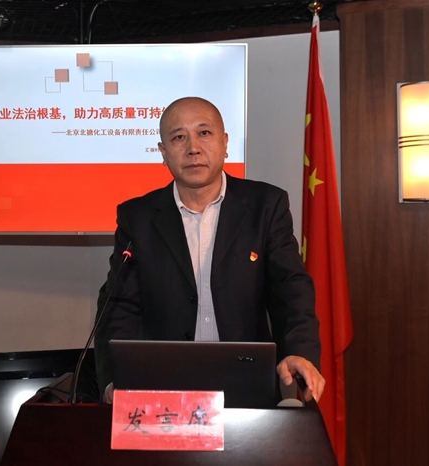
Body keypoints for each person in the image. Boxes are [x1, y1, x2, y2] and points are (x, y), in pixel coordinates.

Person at [94, 96, 324, 404]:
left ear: (225, 143)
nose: (193, 148)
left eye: (204, 133)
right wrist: (115, 378)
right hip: (164, 389)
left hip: (246, 386)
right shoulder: (139, 217)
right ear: (163, 152)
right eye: (179, 137)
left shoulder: (265, 206)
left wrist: (300, 352)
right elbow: (119, 305)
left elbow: (290, 289)